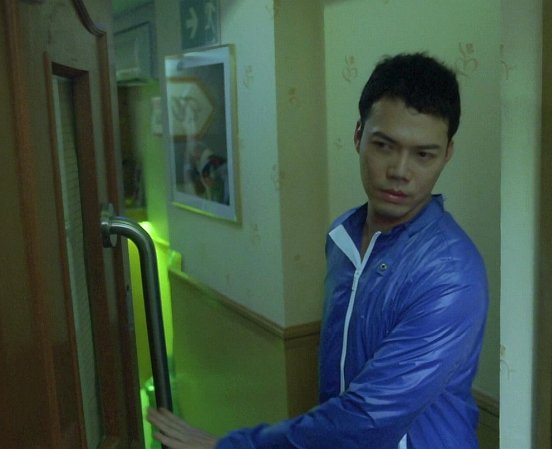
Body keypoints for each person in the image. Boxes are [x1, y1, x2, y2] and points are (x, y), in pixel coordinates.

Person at [148, 52, 489, 449]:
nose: (400, 170)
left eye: (423, 154)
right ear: (359, 135)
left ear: (447, 154)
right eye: (384, 145)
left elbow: (366, 418)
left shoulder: (451, 274)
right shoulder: (343, 236)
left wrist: (232, 446)